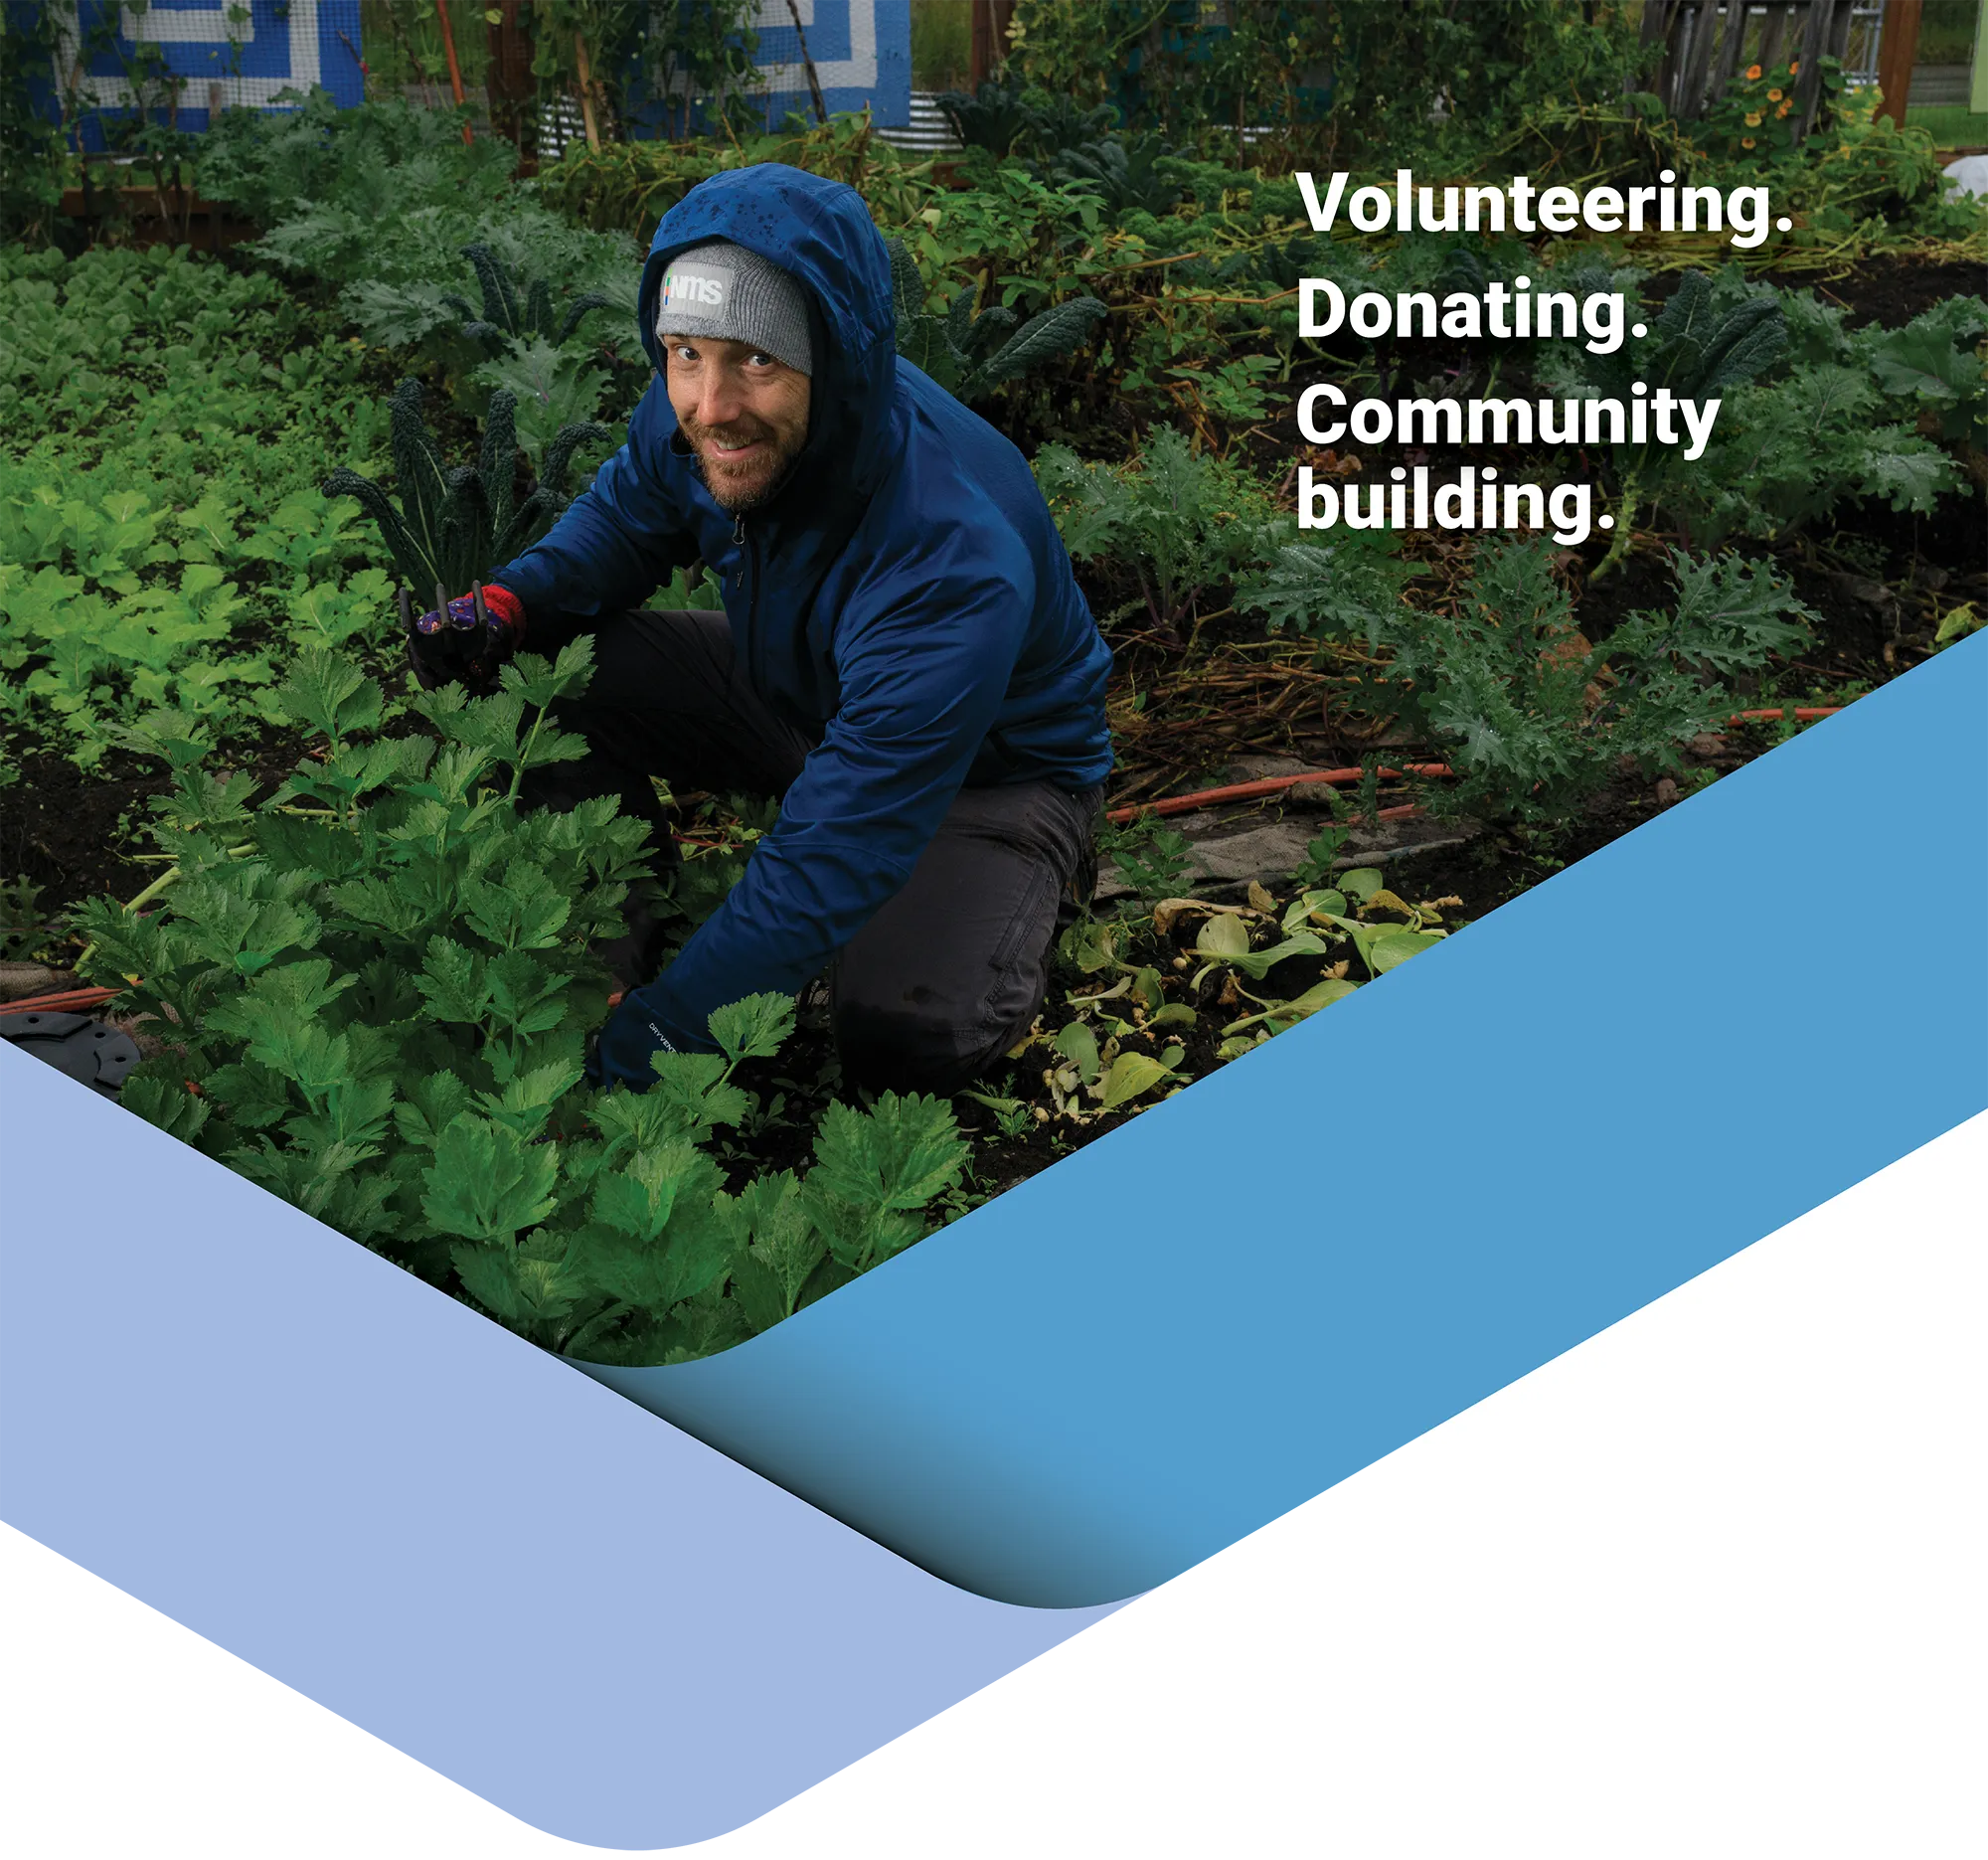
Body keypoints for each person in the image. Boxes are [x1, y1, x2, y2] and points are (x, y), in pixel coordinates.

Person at [406, 163, 1113, 1096]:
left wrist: (651, 1053)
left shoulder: (949, 551)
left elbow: (837, 847)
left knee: (901, 1030)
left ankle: (1023, 887)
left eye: (758, 359)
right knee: (526, 669)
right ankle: (620, 911)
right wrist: (510, 602)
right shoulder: (699, 405)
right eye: (686, 352)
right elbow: (623, 520)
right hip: (802, 694)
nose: (710, 404)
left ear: (833, 354)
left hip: (989, 774)